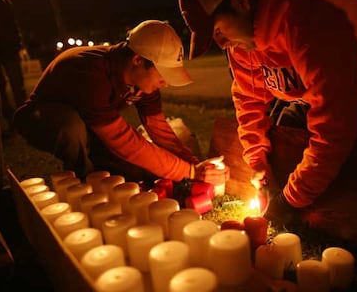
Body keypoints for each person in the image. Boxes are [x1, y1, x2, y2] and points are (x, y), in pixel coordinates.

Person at [179, 0, 357, 225]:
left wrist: (290, 200)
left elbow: (333, 130)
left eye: (217, 30)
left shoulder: (313, 19)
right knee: (282, 158)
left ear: (240, 1)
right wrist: (260, 167)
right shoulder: (241, 41)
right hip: (306, 99)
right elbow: (249, 102)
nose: (223, 45)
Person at [13, 20, 228, 189]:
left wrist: (195, 164)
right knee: (71, 127)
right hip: (42, 118)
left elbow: (160, 130)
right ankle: (82, 184)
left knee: (133, 174)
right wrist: (189, 172)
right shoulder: (91, 73)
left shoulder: (144, 84)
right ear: (137, 60)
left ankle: (96, 172)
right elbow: (124, 141)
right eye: (163, 74)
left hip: (91, 125)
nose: (166, 83)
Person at [0, 0, 27, 133]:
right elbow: (13, 24)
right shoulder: (4, 0)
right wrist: (19, 44)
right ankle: (22, 119)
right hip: (10, 47)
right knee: (16, 85)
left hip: (9, 47)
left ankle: (13, 120)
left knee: (3, 87)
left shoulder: (3, 1)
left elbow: (13, 24)